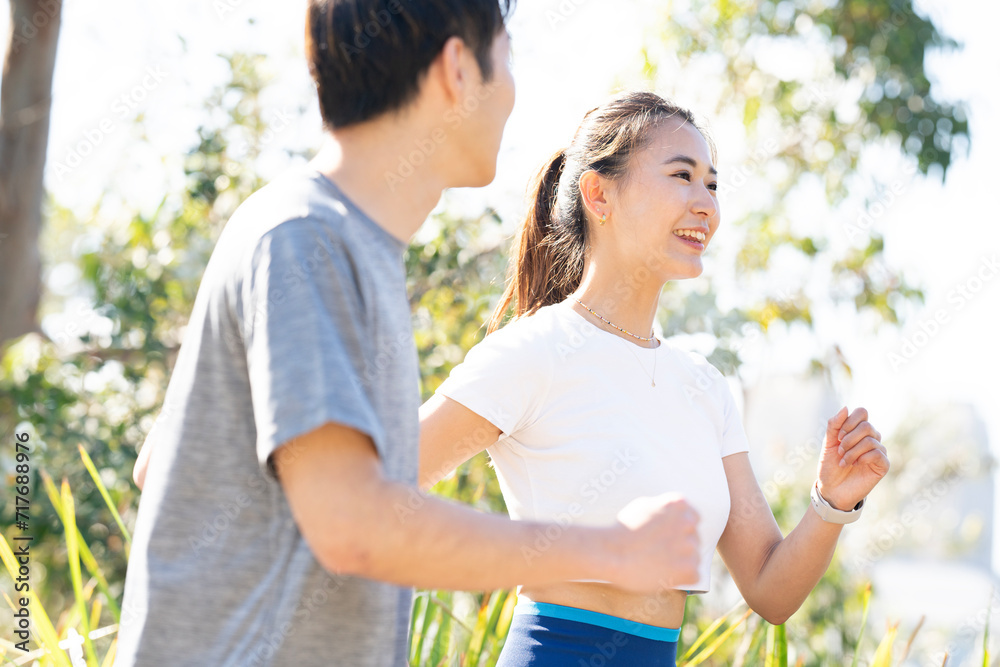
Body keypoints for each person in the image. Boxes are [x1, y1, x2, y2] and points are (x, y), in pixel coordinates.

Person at [118, 4, 705, 666]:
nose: (514, 91)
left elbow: (161, 462)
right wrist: (612, 551)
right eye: (506, 59)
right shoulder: (308, 238)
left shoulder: (336, 242)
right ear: (457, 69)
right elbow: (356, 525)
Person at [419, 91, 891, 666]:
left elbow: (770, 591)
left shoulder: (703, 386)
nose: (706, 205)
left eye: (712, 185)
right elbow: (379, 490)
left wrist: (831, 502)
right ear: (599, 194)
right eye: (682, 176)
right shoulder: (535, 350)